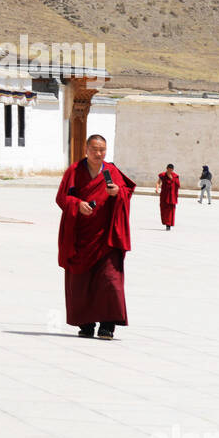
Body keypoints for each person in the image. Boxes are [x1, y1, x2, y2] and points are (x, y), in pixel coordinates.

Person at [55, 133, 134, 341]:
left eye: (102, 150)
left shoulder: (111, 171)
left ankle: (108, 324)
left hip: (106, 236)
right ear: (86, 150)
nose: (99, 154)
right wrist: (76, 205)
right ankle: (86, 324)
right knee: (81, 282)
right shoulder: (74, 171)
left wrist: (119, 192)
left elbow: (126, 191)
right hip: (81, 235)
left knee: (110, 280)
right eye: (95, 149)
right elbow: (62, 198)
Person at [156, 164, 180, 230]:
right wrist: (157, 188)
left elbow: (177, 185)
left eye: (171, 170)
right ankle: (165, 222)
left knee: (170, 210)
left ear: (173, 170)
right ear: (166, 168)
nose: (170, 171)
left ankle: (168, 224)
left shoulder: (175, 176)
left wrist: (172, 179)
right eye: (168, 169)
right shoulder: (163, 175)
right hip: (164, 195)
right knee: (163, 209)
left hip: (172, 196)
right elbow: (158, 182)